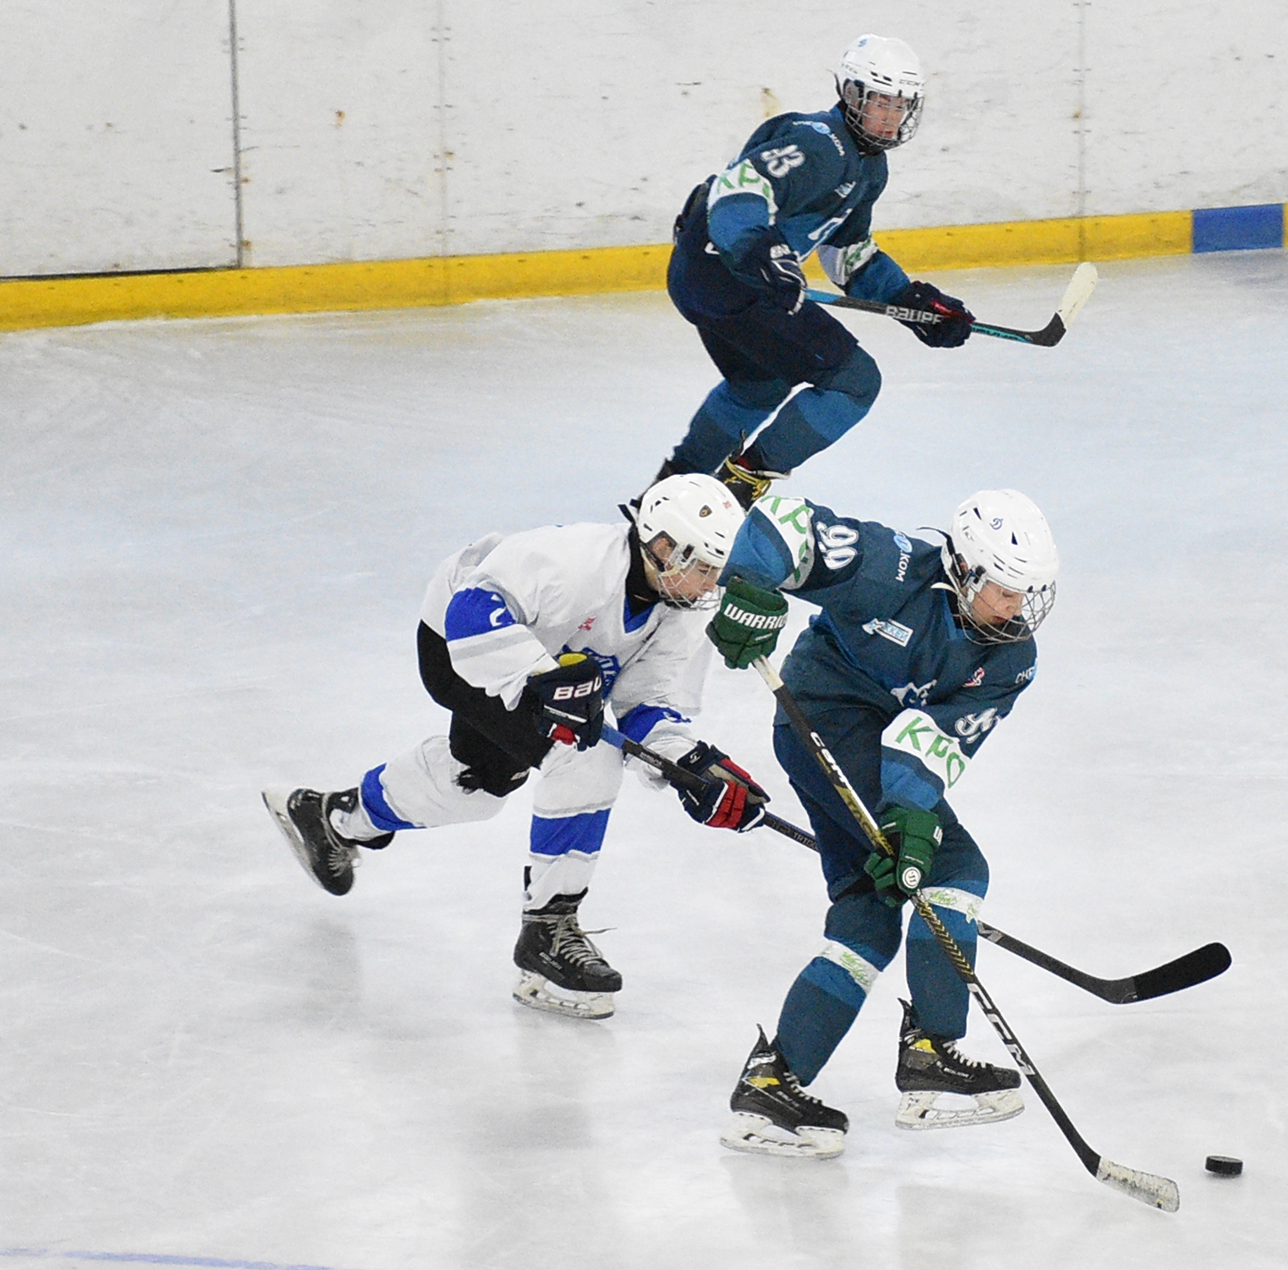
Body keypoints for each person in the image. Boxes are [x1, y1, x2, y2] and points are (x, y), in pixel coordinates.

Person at [262, 474, 773, 1020]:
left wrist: (689, 766)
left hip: (552, 669)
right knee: (587, 751)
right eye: (703, 568)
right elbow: (470, 612)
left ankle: (334, 818)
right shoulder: (571, 563)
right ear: (663, 547)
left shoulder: (683, 607)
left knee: (478, 787)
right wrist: (535, 679)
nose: (710, 584)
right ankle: (548, 932)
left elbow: (645, 704)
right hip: (457, 643)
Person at [702, 488, 1059, 1157]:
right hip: (822, 719)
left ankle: (773, 1087)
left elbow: (934, 743)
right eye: (1006, 591)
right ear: (966, 572)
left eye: (1028, 593)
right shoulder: (890, 569)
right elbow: (784, 522)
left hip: (874, 744)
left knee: (870, 907)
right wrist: (749, 586)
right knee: (956, 869)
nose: (1019, 610)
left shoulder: (1011, 658)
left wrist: (907, 821)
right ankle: (931, 1050)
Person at [655, 34, 975, 508]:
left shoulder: (869, 168)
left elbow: (846, 255)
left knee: (759, 385)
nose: (890, 116)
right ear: (850, 95)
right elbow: (737, 189)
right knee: (855, 382)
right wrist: (759, 250)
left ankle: (667, 493)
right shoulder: (821, 144)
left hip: (708, 278)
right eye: (880, 102)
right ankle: (729, 497)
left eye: (901, 105)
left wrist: (909, 300)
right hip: (728, 277)